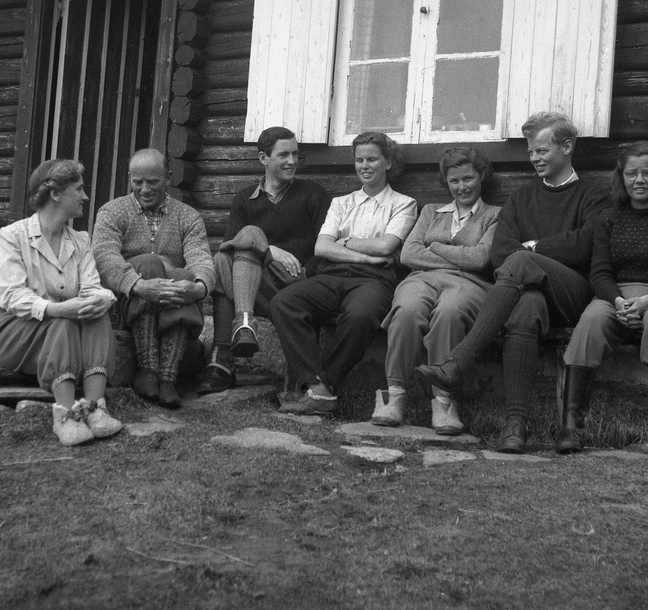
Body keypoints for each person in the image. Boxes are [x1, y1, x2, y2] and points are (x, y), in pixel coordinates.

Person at [415, 112, 610, 452]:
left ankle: (458, 361)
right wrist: (532, 253)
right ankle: (514, 427)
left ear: (567, 147)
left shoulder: (593, 196)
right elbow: (500, 253)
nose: (535, 158)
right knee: (525, 307)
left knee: (521, 260)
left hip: (572, 293)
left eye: (542, 150)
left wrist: (534, 248)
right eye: (531, 152)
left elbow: (585, 246)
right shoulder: (522, 198)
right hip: (528, 293)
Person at [558, 142, 648, 455]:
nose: (640, 180)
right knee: (591, 322)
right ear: (622, 178)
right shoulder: (608, 219)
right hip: (616, 296)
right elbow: (600, 274)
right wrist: (619, 302)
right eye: (632, 173)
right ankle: (571, 429)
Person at [270, 131, 418, 415]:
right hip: (331, 275)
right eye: (359, 160)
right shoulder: (342, 203)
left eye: (372, 159)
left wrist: (346, 241)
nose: (365, 166)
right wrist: (369, 256)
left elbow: (387, 244)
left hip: (374, 281)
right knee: (285, 302)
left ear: (387, 163)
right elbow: (322, 247)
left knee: (361, 317)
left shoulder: (403, 204)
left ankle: (323, 387)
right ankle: (317, 386)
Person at [0, 159, 123, 447]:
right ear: (56, 194)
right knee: (62, 320)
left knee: (96, 314)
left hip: (66, 329)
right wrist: (59, 309)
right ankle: (65, 416)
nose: (85, 196)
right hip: (14, 331)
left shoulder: (80, 240)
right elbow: (11, 295)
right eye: (79, 189)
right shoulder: (12, 236)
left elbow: (92, 287)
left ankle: (96, 409)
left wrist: (101, 301)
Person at [374, 148, 501, 435]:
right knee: (407, 310)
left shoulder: (495, 216)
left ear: (481, 177)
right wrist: (460, 254)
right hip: (421, 278)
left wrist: (437, 247)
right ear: (446, 183)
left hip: (471, 283)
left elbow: (481, 259)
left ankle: (444, 402)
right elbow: (408, 254)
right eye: (454, 181)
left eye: (468, 178)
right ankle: (394, 397)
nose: (462, 187)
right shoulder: (431, 211)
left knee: (450, 311)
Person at [198, 126, 332, 394]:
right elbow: (229, 247)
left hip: (296, 285)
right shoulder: (245, 199)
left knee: (245, 238)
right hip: (256, 284)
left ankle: (223, 359)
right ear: (263, 158)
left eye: (295, 154)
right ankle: (243, 326)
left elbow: (324, 251)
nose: (292, 161)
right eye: (283, 155)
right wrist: (269, 250)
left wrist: (289, 265)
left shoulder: (313, 195)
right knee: (227, 257)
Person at [92, 148, 216, 408]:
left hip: (172, 304)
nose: (145, 189)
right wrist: (138, 284)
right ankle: (148, 370)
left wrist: (199, 287)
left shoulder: (188, 217)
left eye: (153, 182)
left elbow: (201, 258)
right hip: (125, 305)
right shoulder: (112, 212)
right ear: (130, 179)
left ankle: (167, 378)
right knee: (148, 263)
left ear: (168, 177)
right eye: (138, 182)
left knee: (185, 275)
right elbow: (105, 258)